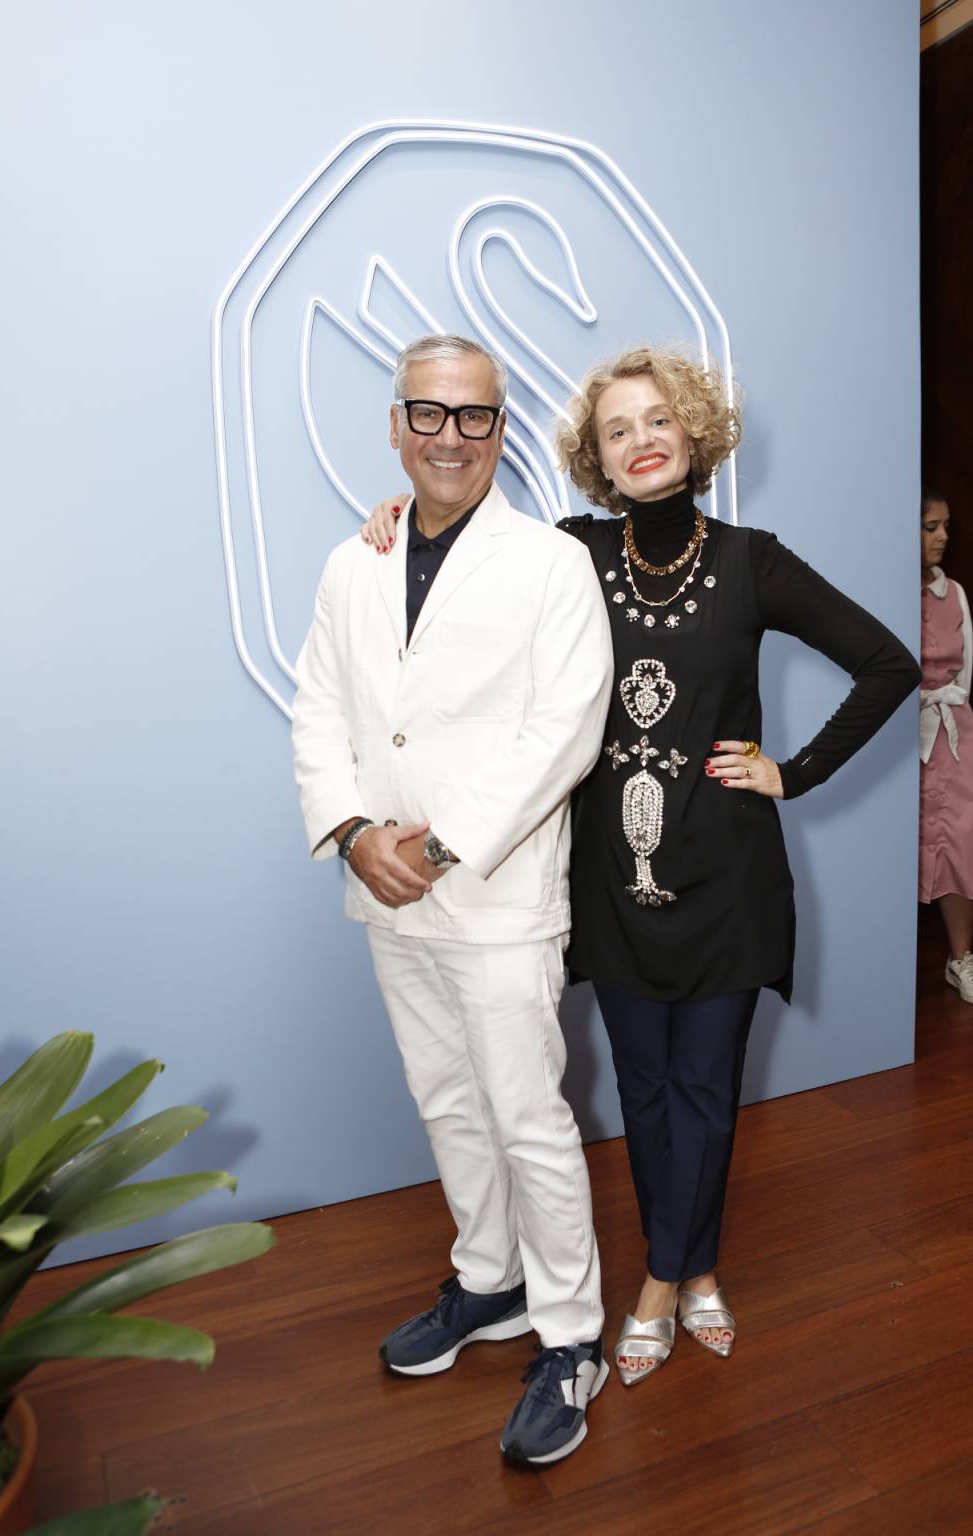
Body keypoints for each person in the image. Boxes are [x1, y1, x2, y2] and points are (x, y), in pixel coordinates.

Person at [361, 343, 919, 1386]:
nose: (641, 440)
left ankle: (668, 1279)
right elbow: (461, 551)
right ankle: (692, 1263)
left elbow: (889, 661)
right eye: (618, 430)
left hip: (727, 883)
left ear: (691, 432)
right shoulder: (565, 552)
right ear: (598, 459)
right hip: (607, 882)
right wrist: (391, 527)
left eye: (657, 419)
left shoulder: (754, 560)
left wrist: (791, 773)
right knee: (647, 1089)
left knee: (704, 1091)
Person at [292, 333, 614, 1465]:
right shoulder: (353, 560)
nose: (448, 436)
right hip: (383, 887)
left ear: (500, 428)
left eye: (472, 416)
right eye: (426, 414)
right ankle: (491, 1281)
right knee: (446, 1100)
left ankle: (572, 1334)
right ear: (395, 424)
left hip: (494, 891)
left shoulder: (548, 564)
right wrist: (348, 832)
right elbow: (320, 710)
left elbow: (561, 732)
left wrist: (434, 851)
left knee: (528, 1117)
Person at [919, 487, 973, 1003]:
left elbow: (964, 673)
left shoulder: (957, 595)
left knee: (971, 829)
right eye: (931, 526)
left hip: (952, 726)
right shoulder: (883, 587)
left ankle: (960, 958)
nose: (944, 536)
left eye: (946, 525)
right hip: (900, 728)